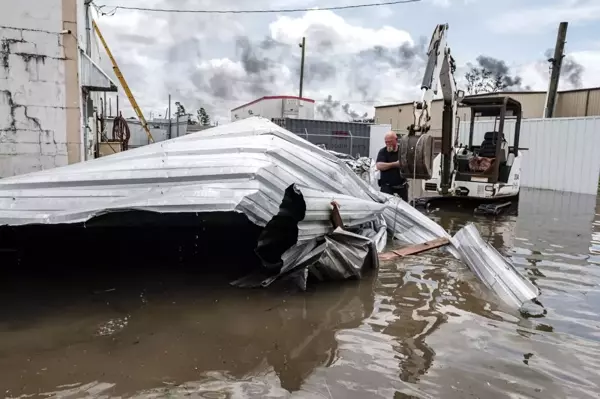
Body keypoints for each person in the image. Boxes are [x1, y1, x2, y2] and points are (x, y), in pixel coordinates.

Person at [376, 131, 409, 201]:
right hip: (387, 187)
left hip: (401, 187)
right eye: (386, 142)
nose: (388, 144)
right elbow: (379, 166)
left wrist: (387, 165)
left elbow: (407, 164)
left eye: (390, 142)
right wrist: (395, 164)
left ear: (396, 140)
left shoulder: (402, 151)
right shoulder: (383, 152)